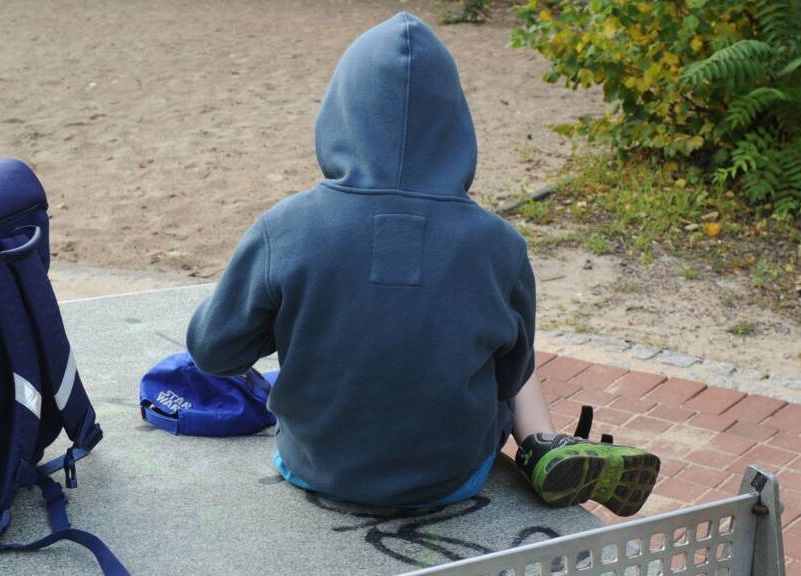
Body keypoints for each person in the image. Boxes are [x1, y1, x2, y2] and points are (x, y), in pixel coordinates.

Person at [186, 12, 659, 514]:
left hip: (316, 466)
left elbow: (213, 353)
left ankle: (543, 444)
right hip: (453, 476)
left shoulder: (285, 228)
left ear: (340, 111)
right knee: (508, 345)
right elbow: (511, 372)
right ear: (455, 121)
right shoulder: (499, 244)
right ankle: (542, 441)